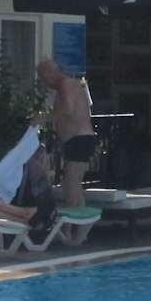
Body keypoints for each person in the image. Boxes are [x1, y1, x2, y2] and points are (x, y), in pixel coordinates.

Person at [36, 56, 96, 207]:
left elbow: (67, 109)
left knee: (71, 183)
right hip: (78, 139)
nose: (44, 82)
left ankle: (76, 218)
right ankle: (77, 218)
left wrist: (44, 118)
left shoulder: (65, 85)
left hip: (78, 139)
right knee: (72, 182)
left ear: (51, 73)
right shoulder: (72, 85)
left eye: (43, 77)